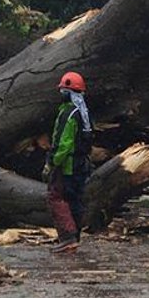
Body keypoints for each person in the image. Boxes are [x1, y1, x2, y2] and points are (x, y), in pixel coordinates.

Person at [42, 71, 93, 254]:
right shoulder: (84, 113)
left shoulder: (68, 114)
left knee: (56, 197)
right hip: (82, 164)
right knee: (75, 200)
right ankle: (74, 237)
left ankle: (67, 237)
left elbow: (63, 143)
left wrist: (52, 162)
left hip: (67, 166)